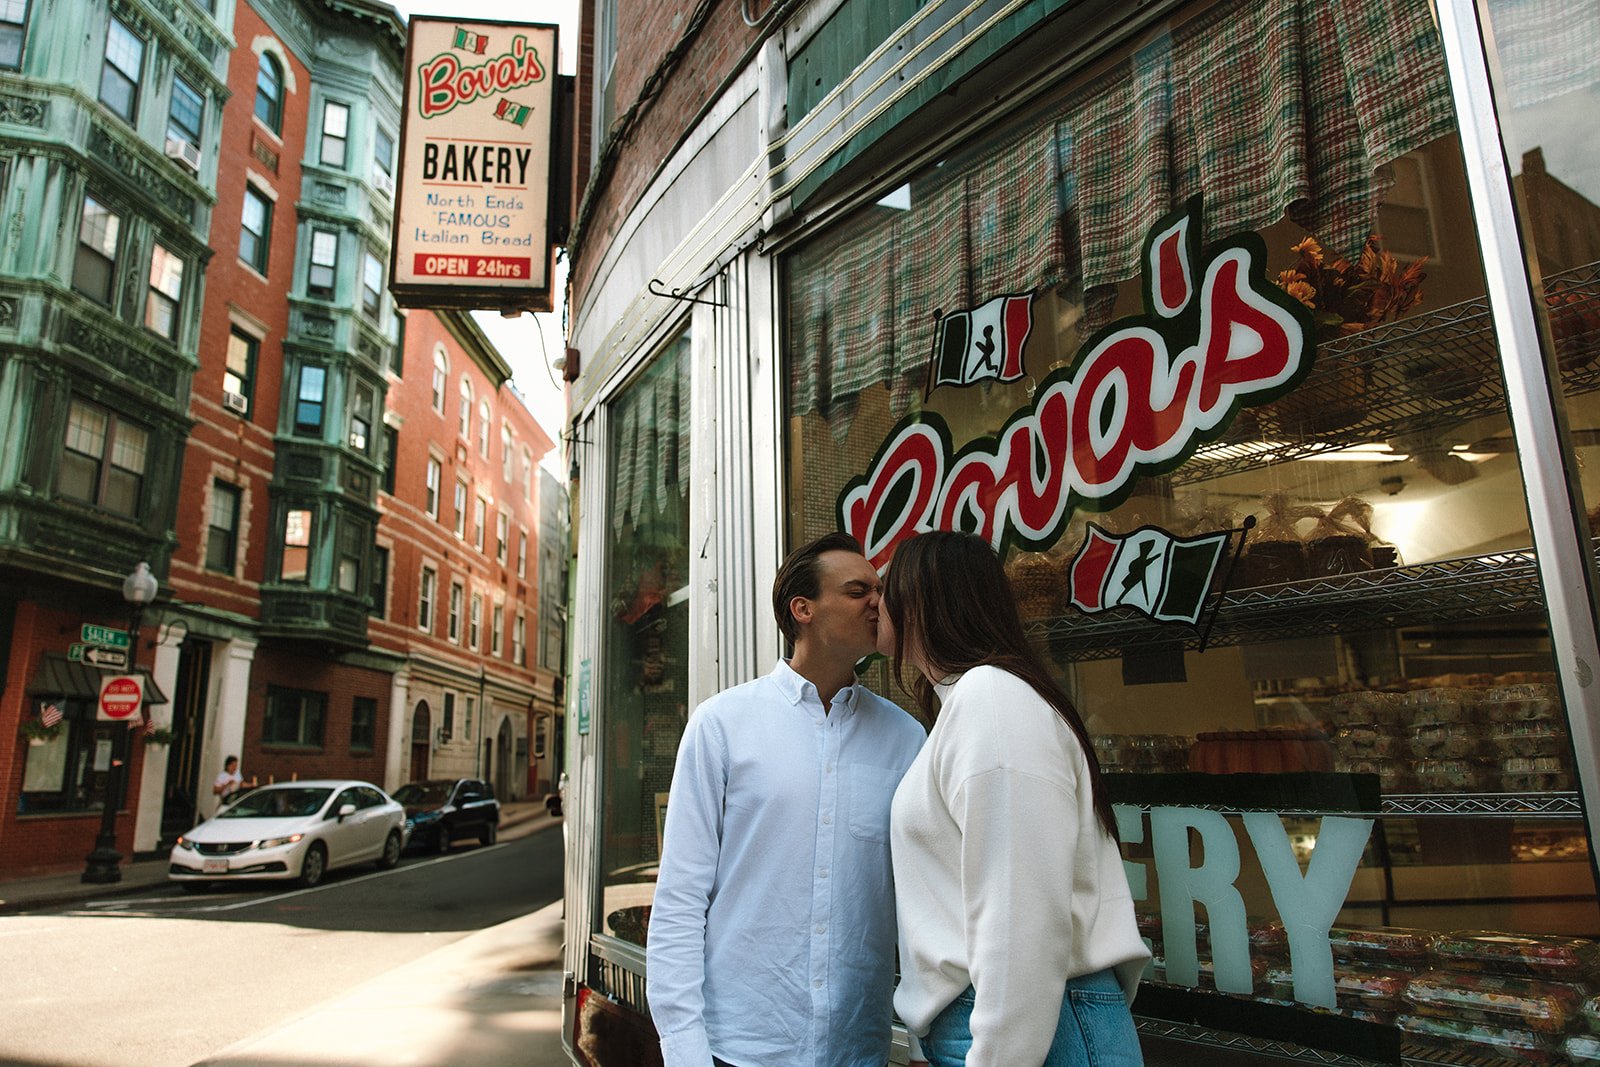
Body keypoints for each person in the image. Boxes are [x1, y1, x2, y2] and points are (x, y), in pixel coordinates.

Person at [646, 532, 927, 1067]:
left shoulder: (906, 738)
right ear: (803, 609)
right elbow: (681, 900)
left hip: (857, 1049)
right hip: (740, 1047)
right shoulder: (722, 726)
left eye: (880, 589)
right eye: (856, 590)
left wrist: (919, 1042)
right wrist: (684, 1052)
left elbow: (918, 904)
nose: (878, 601)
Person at [879, 531, 1150, 1067]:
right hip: (1008, 1021)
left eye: (886, 585)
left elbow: (1020, 910)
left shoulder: (992, 699)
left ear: (923, 596)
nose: (874, 601)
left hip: (1034, 1026)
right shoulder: (969, 702)